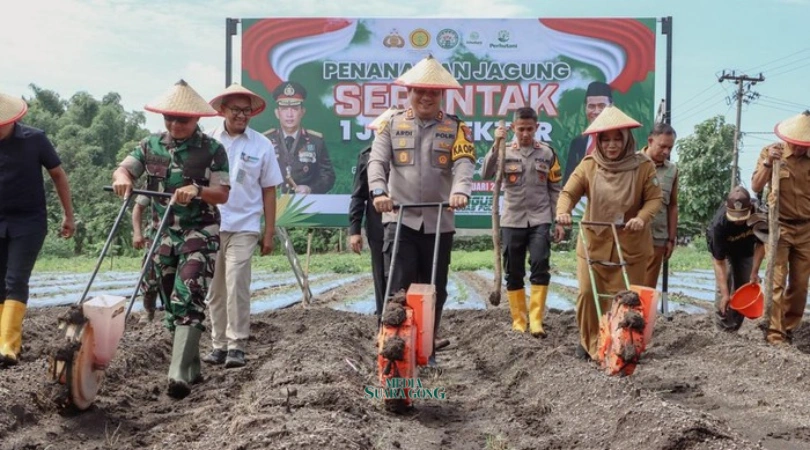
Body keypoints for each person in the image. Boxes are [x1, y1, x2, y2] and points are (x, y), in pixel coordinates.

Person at [111, 79, 230, 398]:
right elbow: (124, 170)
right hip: (161, 234)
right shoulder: (150, 145)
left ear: (197, 120)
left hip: (200, 232)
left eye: (183, 119)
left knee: (187, 293)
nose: (175, 125)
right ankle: (192, 367)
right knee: (170, 301)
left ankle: (177, 375)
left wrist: (197, 190)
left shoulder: (213, 150)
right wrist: (123, 179)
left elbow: (221, 194)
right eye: (170, 118)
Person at [368, 55, 475, 368]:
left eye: (433, 92)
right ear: (409, 92)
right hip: (399, 218)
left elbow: (464, 163)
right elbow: (377, 162)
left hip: (439, 221)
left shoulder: (456, 127)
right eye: (419, 91)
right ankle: (392, 344)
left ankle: (426, 347)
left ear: (441, 95)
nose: (426, 97)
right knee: (397, 285)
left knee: (434, 288)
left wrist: (459, 191)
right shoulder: (391, 123)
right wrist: (379, 192)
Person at [555, 105, 663, 360]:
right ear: (598, 141)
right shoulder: (589, 165)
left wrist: (641, 218)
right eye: (606, 140)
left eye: (617, 139)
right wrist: (564, 212)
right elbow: (569, 192)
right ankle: (590, 342)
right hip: (594, 242)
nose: (612, 145)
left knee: (627, 299)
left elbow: (654, 199)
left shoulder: (643, 166)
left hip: (630, 244)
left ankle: (621, 347)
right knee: (587, 294)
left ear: (626, 139)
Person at [202, 83, 283, 369]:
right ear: (222, 110)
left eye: (246, 111)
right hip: (210, 223)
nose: (241, 115)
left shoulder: (261, 145)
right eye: (235, 110)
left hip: (245, 224)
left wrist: (269, 233)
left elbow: (269, 190)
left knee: (237, 282)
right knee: (214, 288)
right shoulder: (208, 140)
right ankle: (218, 345)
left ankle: (236, 344)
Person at [0, 91, 75, 366]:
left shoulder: (35, 139)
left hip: (28, 222)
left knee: (15, 279)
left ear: (12, 120)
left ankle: (8, 346)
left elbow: (57, 174)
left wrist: (69, 216)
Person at [481, 107, 563, 337]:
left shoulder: (547, 153)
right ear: (513, 129)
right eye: (520, 129)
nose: (525, 133)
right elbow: (485, 173)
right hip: (512, 220)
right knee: (514, 272)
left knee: (540, 264)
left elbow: (555, 188)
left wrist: (558, 220)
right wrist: (496, 144)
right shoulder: (504, 151)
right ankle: (519, 321)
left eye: (529, 129)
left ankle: (536, 321)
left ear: (537, 128)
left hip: (540, 218)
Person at [751, 110, 810, 346]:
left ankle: (789, 328)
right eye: (797, 145)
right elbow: (756, 185)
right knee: (776, 280)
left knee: (799, 284)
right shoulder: (771, 152)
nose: (800, 149)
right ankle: (775, 333)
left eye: (805, 146)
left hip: (806, 229)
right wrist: (768, 164)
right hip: (779, 227)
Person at [348, 107, 400, 324]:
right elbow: (359, 196)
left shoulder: (411, 154)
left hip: (409, 224)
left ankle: (415, 326)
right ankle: (383, 323)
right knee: (382, 276)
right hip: (378, 227)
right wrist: (354, 231)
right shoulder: (367, 155)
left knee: (410, 275)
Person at [707, 187, 766, 332]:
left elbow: (761, 244)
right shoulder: (719, 225)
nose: (738, 222)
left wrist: (755, 271)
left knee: (744, 286)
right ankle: (723, 329)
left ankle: (735, 328)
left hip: (745, 250)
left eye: (742, 217)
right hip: (725, 251)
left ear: (750, 208)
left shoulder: (758, 214)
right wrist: (726, 294)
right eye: (735, 218)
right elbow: (719, 262)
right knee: (725, 286)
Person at [263, 81, 335, 194]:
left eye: (295, 108)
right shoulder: (265, 141)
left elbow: (328, 176)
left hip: (306, 205)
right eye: (285, 109)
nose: (289, 114)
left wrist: (311, 189)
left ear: (302, 112)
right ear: (277, 113)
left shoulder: (316, 141)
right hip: (272, 204)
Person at [641, 123, 679, 289]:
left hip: (658, 239)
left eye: (670, 148)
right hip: (632, 239)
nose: (666, 152)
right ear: (650, 141)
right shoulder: (633, 163)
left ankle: (641, 316)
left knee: (647, 289)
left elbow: (673, 205)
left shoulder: (672, 170)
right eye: (662, 146)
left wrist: (671, 239)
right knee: (627, 288)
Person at [563, 81, 613, 184]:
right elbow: (567, 183)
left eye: (602, 106)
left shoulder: (623, 140)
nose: (596, 111)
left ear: (611, 106)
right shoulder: (577, 142)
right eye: (591, 106)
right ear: (585, 108)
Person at [131, 194, 160, 323]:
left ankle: (175, 314)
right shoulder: (154, 179)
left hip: (183, 237)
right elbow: (138, 208)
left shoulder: (193, 178)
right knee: (149, 277)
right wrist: (137, 233)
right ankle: (148, 311)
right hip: (155, 238)